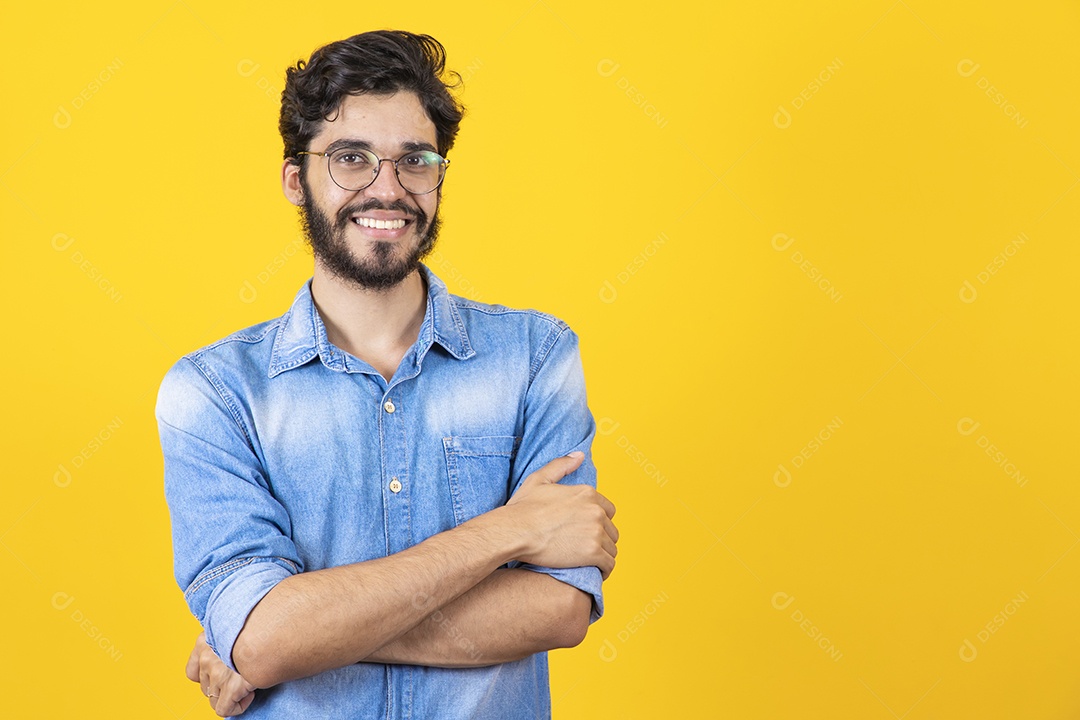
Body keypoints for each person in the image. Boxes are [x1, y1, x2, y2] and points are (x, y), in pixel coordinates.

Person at [156, 30, 618, 718]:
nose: (388, 190)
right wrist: (506, 532)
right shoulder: (213, 393)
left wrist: (284, 637)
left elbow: (558, 608)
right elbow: (266, 638)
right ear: (295, 180)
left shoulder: (536, 357)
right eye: (351, 158)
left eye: (414, 161)